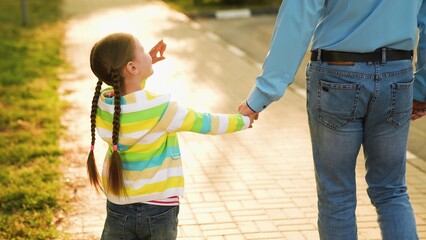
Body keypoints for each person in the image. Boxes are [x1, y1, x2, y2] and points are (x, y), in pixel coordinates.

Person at [238, 1, 426, 239]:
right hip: (397, 75)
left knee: (337, 196)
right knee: (392, 192)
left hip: (337, 75)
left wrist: (262, 95)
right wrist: (422, 88)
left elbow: (298, 18)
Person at [87, 32, 256, 240]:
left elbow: (131, 100)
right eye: (141, 49)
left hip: (118, 207)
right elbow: (206, 122)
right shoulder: (162, 110)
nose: (145, 52)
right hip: (158, 209)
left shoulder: (104, 106)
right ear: (131, 67)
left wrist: (140, 69)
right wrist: (243, 120)